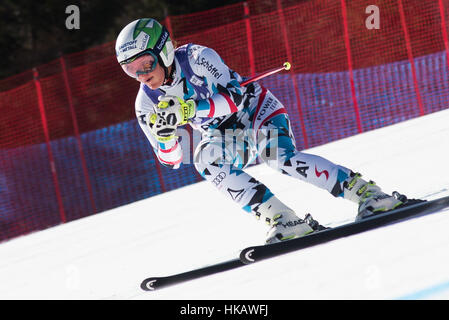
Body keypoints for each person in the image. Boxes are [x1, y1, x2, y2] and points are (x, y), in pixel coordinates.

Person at [115, 18, 409, 244]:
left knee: (278, 158)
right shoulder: (145, 103)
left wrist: (189, 111)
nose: (143, 75)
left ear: (164, 51)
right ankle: (285, 220)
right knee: (204, 160)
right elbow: (172, 160)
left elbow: (234, 99)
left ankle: (369, 194)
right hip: (224, 136)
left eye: (146, 63)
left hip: (256, 111)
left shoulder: (196, 57)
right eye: (131, 70)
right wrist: (166, 137)